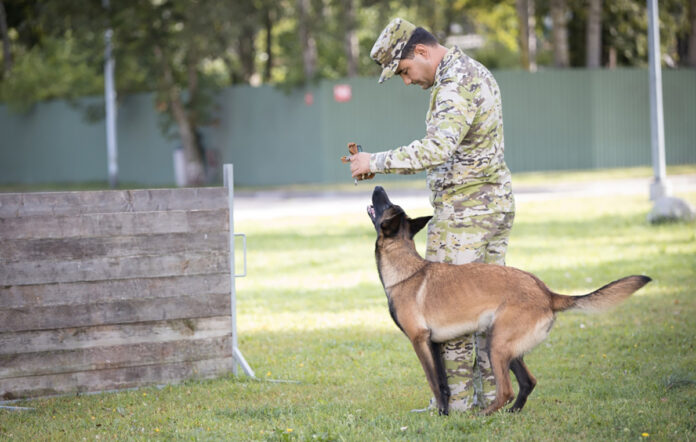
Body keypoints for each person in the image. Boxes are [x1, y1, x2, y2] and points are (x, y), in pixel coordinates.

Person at [349, 18, 515, 412]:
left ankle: (456, 403)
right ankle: (492, 399)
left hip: (465, 214)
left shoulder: (454, 84)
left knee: (449, 306)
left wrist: (377, 160)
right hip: (492, 205)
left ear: (421, 52)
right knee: (487, 308)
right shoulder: (473, 71)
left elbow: (436, 149)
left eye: (404, 71)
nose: (407, 81)